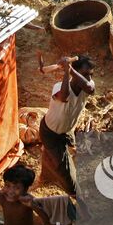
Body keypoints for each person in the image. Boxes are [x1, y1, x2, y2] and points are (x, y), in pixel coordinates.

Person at [38, 55, 94, 195]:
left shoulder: (88, 85)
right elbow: (64, 96)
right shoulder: (59, 87)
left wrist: (70, 70)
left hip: (66, 129)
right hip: (50, 132)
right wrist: (67, 72)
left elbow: (90, 88)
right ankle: (74, 193)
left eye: (91, 75)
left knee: (51, 154)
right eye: (85, 74)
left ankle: (47, 176)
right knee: (65, 169)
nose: (89, 78)